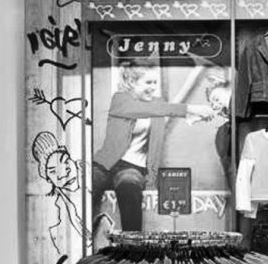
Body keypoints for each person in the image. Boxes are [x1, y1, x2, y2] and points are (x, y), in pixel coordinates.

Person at [92, 59, 214, 232]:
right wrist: (189, 109)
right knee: (89, 181)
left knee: (128, 183)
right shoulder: (120, 100)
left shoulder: (158, 104)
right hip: (105, 164)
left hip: (132, 167)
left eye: (155, 82)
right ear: (132, 82)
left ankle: (132, 242)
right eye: (148, 82)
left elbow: (164, 113)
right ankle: (82, 235)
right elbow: (151, 110)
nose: (153, 87)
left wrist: (195, 116)